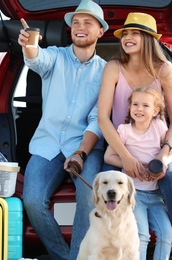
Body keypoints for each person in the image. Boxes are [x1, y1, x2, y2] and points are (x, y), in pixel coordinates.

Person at [97, 12, 172, 259]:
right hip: (122, 145)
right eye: (125, 33)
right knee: (112, 182)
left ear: (149, 38)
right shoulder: (113, 68)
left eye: (135, 33)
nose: (128, 37)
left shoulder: (164, 70)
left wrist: (163, 155)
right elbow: (103, 119)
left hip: (159, 147)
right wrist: (126, 158)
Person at [17, 0, 108, 259]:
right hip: (48, 145)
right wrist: (30, 45)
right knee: (32, 201)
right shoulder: (55, 56)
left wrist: (80, 153)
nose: (79, 27)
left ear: (100, 31)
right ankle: (64, 257)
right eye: (75, 23)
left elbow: (97, 119)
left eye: (87, 23)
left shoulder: (106, 72)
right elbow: (37, 59)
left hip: (85, 147)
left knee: (88, 195)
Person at [104, 87, 172, 259]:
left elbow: (170, 151)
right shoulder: (124, 130)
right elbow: (108, 156)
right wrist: (130, 165)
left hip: (155, 195)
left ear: (155, 110)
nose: (139, 109)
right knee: (141, 236)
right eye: (135, 104)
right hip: (134, 196)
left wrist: (163, 162)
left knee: (167, 234)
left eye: (145, 105)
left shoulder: (158, 126)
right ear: (129, 108)